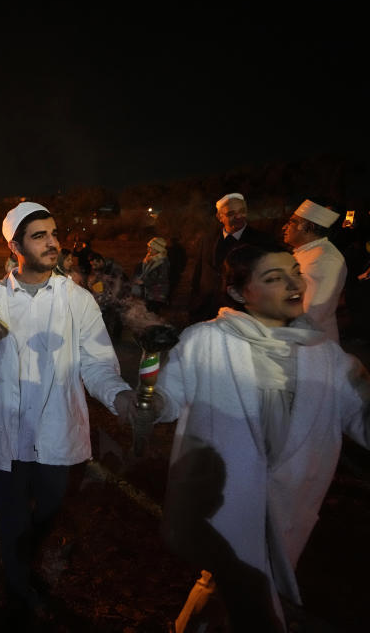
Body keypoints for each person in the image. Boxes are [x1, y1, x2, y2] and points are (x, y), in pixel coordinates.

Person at [152, 242, 370, 631]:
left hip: (290, 506)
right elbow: (162, 404)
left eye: (295, 272)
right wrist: (149, 368)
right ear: (239, 293)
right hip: (222, 504)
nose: (294, 285)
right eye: (274, 278)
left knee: (229, 586)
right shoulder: (208, 342)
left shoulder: (328, 357)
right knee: (251, 595)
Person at [0, 202, 136, 614]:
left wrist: (119, 396)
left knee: (46, 512)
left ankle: (23, 564)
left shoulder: (76, 299)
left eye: (54, 233)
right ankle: (16, 587)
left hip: (56, 433)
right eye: (39, 236)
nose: (53, 243)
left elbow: (98, 363)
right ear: (14, 247)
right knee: (12, 518)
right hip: (7, 433)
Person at [189, 193, 272, 323]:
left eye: (242, 211)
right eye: (231, 213)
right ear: (219, 217)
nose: (238, 216)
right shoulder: (207, 240)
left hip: (243, 314)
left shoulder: (262, 241)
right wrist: (194, 303)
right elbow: (199, 273)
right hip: (207, 310)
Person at [281, 199, 346, 342]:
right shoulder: (306, 252)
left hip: (315, 342)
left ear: (305, 226)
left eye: (291, 222)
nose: (284, 228)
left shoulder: (325, 258)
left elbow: (313, 312)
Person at [131, 236, 171, 314]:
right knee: (147, 312)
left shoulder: (163, 262)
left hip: (157, 294)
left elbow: (161, 278)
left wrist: (143, 282)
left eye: (151, 248)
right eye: (148, 247)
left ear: (157, 248)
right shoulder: (149, 259)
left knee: (152, 313)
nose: (148, 249)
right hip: (148, 292)